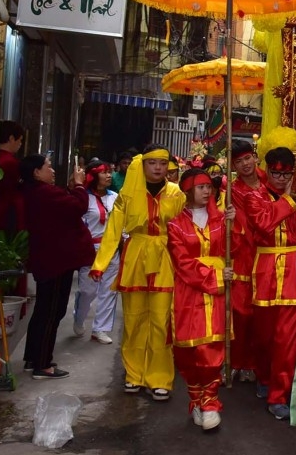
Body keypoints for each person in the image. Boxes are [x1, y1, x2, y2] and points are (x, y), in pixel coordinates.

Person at [90, 146, 186, 400]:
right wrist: (100, 264)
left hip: (165, 259)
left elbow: (186, 228)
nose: (157, 168)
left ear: (168, 167)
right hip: (135, 259)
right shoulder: (128, 194)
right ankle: (134, 374)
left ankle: (160, 378)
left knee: (161, 322)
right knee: (133, 322)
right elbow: (113, 229)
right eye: (152, 162)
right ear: (142, 165)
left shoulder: (176, 194)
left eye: (162, 164)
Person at [243, 146, 296, 419]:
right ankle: (264, 375)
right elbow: (264, 223)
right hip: (265, 273)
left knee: (289, 340)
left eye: (287, 174)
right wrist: (290, 202)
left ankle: (279, 394)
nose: (282, 179)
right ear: (267, 171)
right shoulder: (254, 198)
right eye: (276, 173)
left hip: (294, 277)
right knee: (264, 337)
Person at [166, 168, 237, 431]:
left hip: (217, 295)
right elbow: (182, 263)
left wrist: (234, 224)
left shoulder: (221, 221)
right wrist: (216, 277)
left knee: (212, 349)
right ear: (187, 190)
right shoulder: (175, 225)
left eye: (209, 186)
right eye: (201, 187)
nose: (207, 191)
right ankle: (195, 398)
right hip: (189, 291)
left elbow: (234, 249)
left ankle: (210, 402)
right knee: (187, 351)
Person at [20, 154, 93, 379]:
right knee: (52, 312)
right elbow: (78, 206)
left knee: (43, 310)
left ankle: (33, 358)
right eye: (48, 167)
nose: (52, 171)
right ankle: (43, 364)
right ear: (36, 172)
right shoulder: (44, 193)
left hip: (48, 258)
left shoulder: (35, 192)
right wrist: (80, 186)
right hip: (56, 260)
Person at [228, 138, 267, 384]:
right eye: (238, 161)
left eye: (247, 158)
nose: (244, 164)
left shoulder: (270, 180)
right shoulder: (232, 190)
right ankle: (235, 361)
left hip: (267, 250)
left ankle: (253, 363)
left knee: (260, 313)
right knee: (240, 312)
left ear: (255, 157)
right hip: (244, 254)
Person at [72, 159, 120, 344]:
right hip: (89, 249)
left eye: (110, 171)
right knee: (88, 291)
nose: (109, 175)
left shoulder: (115, 197)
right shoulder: (83, 197)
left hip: (111, 249)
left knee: (109, 290)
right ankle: (79, 317)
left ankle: (100, 329)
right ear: (93, 176)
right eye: (104, 172)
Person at [0, 121, 25, 235]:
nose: (20, 144)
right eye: (20, 140)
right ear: (11, 138)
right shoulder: (12, 163)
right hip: (7, 215)